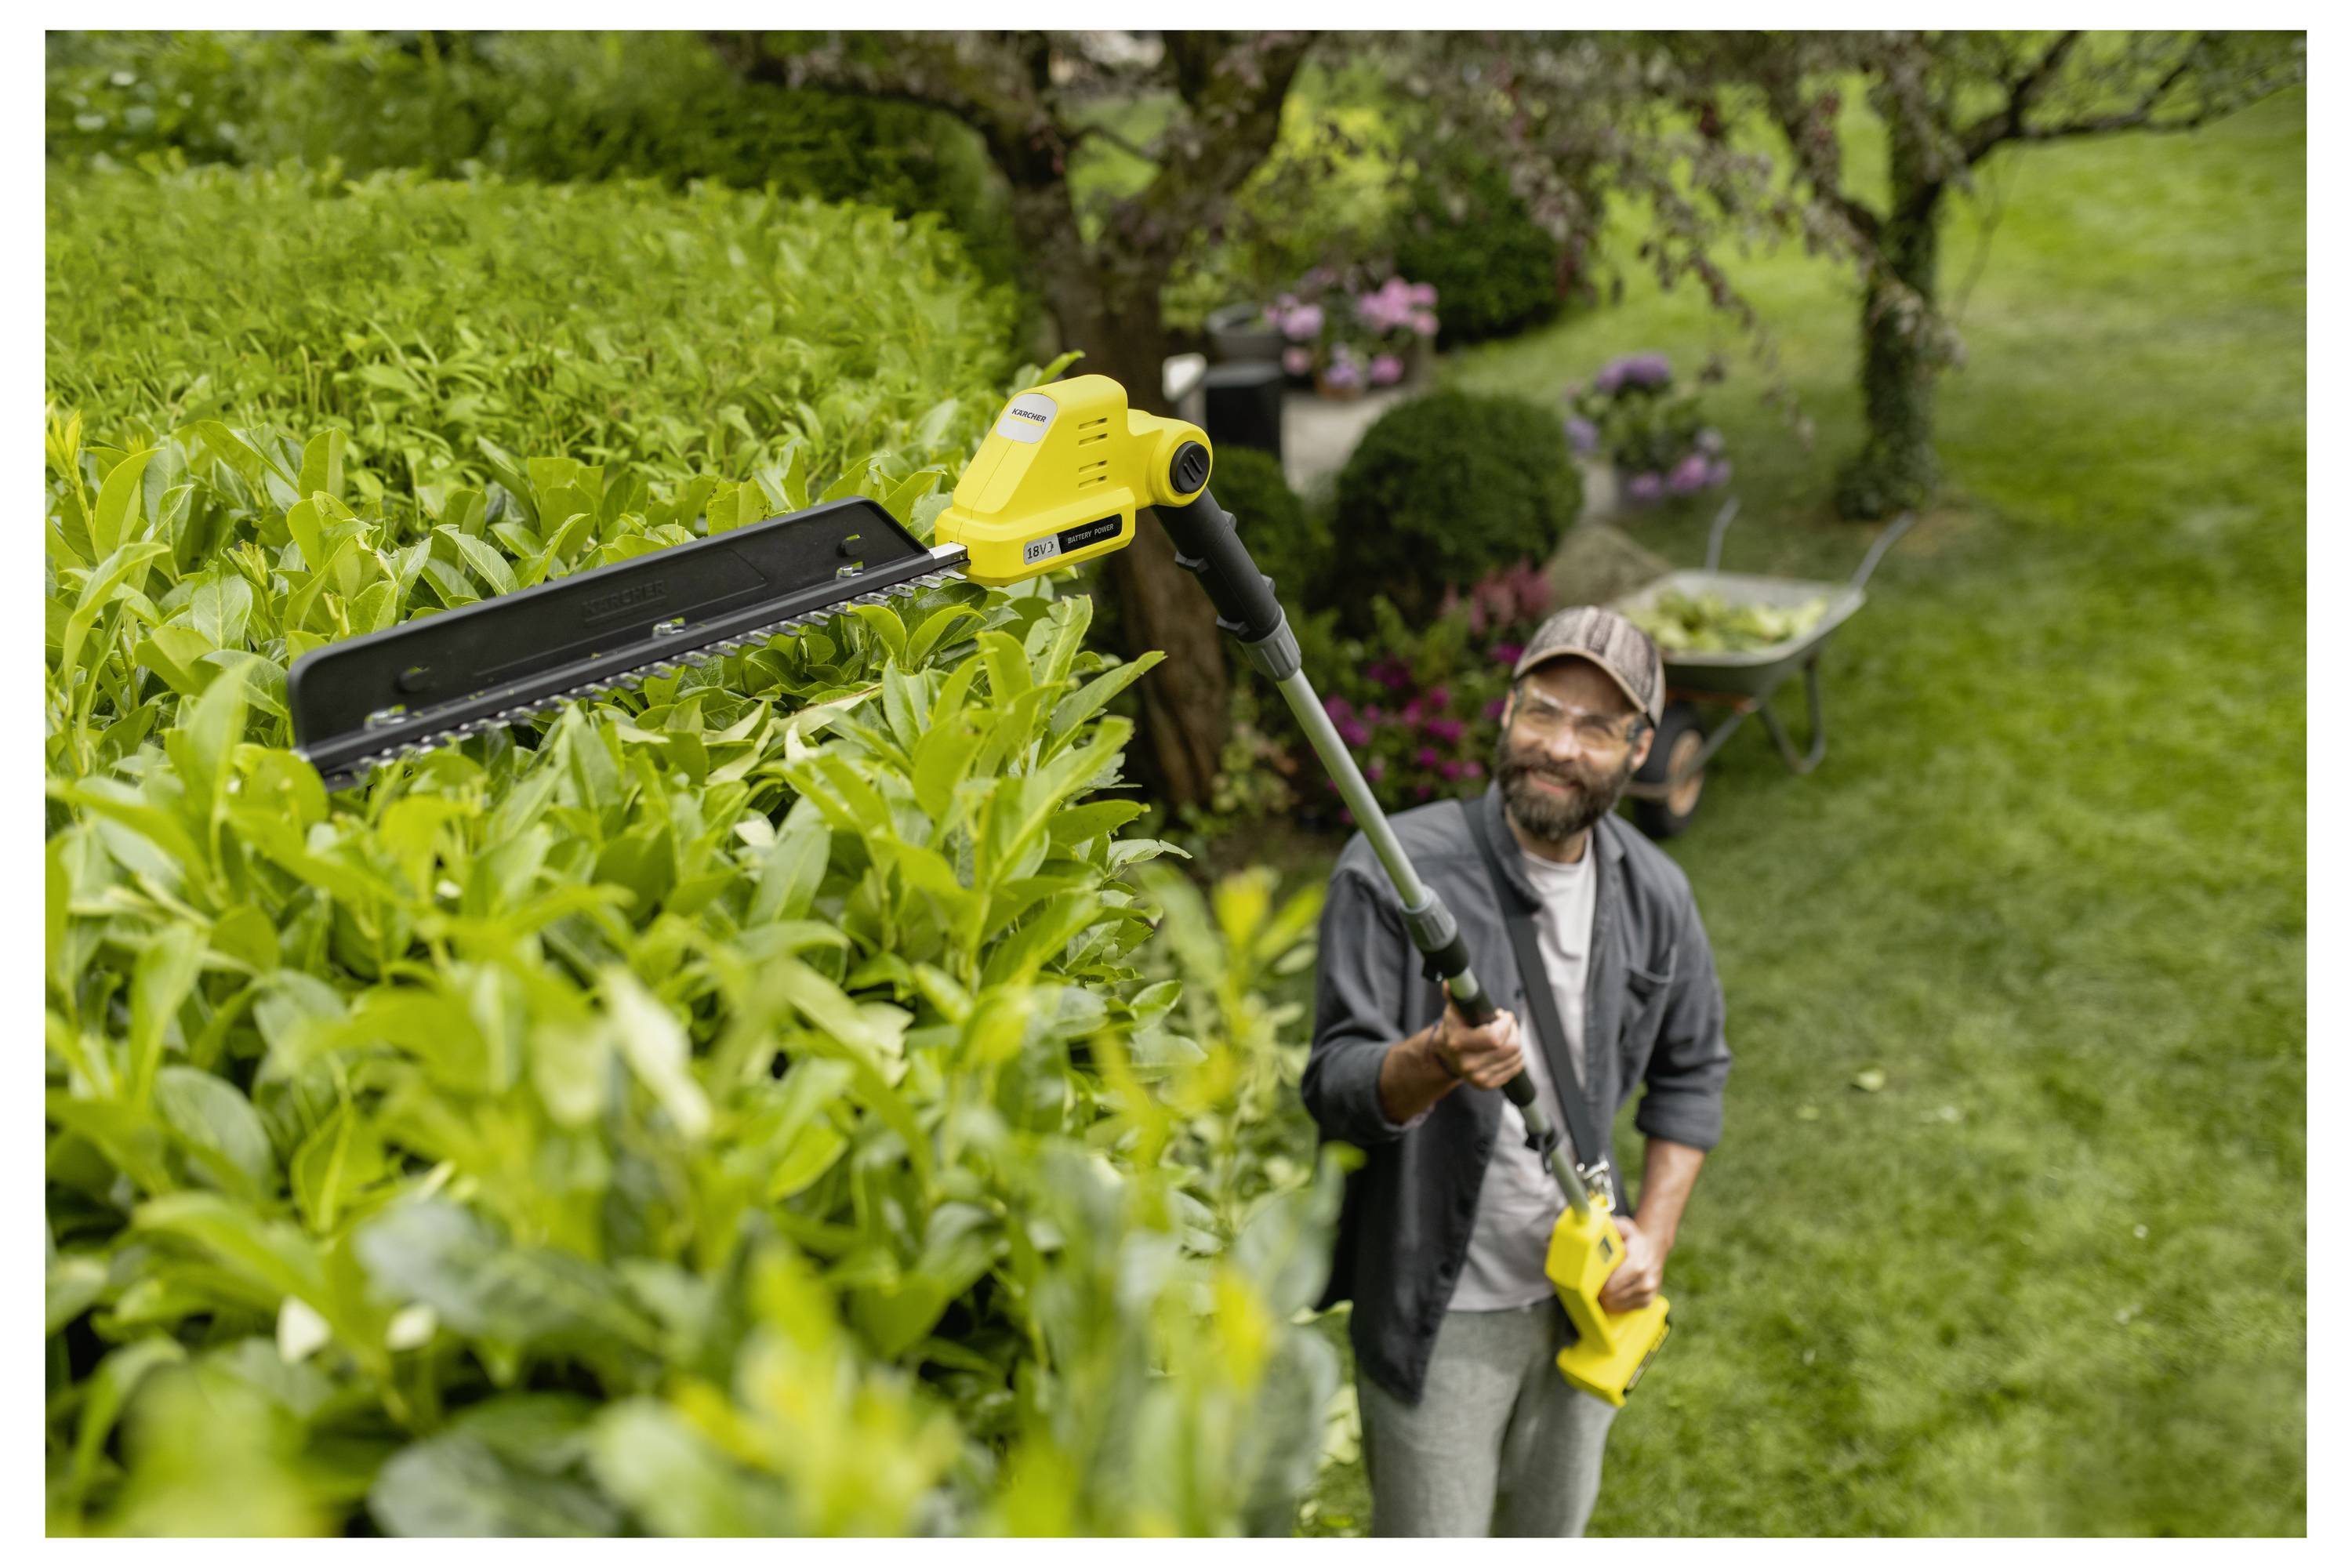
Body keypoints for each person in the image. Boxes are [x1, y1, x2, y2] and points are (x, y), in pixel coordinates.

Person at [1302, 605, 1733, 1537]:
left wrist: (1651, 1237)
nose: (1560, 747)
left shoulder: (1657, 893)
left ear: (1639, 747)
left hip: (1588, 1300)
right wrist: (1437, 1058)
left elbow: (1694, 1072)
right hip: (1442, 1303)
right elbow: (1336, 1086)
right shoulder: (1396, 873)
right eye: (1543, 711)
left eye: (1596, 727)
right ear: (1506, 713)